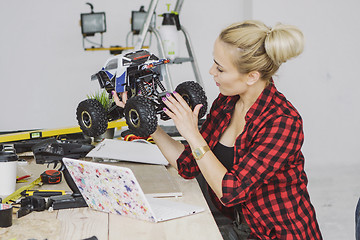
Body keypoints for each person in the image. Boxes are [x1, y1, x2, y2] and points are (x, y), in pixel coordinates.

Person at [113, 20, 322, 239]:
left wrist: (192, 134)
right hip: (241, 226)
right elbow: (189, 165)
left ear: (252, 76)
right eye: (214, 63)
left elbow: (230, 192)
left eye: (220, 68)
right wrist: (148, 124)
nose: (212, 71)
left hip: (279, 234)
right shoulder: (227, 102)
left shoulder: (282, 122)